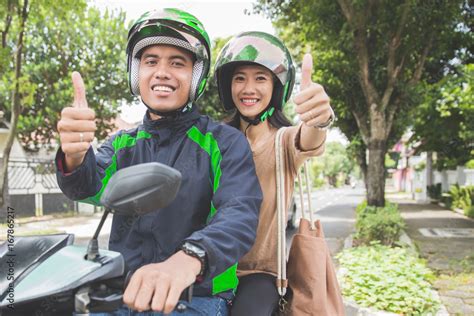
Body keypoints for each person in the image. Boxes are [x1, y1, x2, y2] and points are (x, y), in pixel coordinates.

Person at [55, 9, 262, 315]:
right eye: (151, 61)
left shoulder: (223, 142)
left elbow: (239, 213)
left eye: (177, 63)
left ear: (195, 76)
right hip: (125, 292)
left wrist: (190, 259)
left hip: (197, 295)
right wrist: (73, 156)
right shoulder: (122, 144)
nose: (162, 72)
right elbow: (89, 188)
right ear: (137, 72)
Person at [214, 31, 335, 315]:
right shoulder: (214, 138)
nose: (248, 88)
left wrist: (319, 119)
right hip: (210, 266)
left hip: (259, 273)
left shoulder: (283, 141)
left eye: (260, 78)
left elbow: (309, 140)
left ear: (276, 87)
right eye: (239, 77)